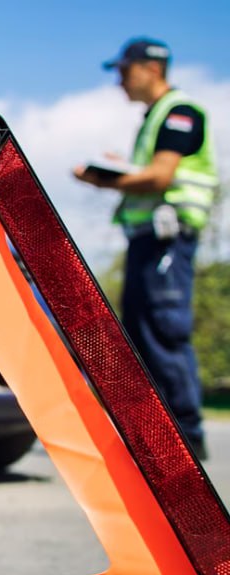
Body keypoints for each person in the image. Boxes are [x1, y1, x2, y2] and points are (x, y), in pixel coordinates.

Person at [74, 37, 218, 461]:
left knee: (163, 331)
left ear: (151, 69)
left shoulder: (180, 112)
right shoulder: (155, 117)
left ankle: (186, 441)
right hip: (147, 242)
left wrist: (107, 179)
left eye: (123, 71)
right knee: (140, 332)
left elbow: (160, 177)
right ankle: (156, 438)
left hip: (167, 241)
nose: (119, 81)